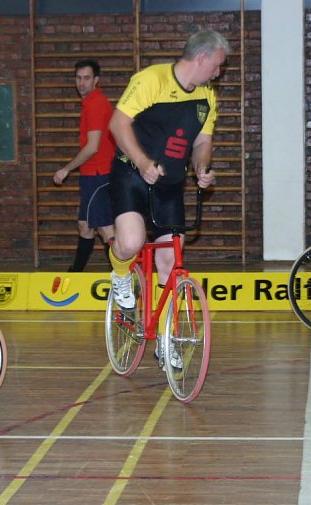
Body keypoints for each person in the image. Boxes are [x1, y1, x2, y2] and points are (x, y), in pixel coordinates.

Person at [107, 29, 228, 368]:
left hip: (170, 184)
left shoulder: (207, 97)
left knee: (169, 265)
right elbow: (118, 124)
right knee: (130, 243)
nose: (218, 73)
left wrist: (202, 168)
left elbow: (202, 143)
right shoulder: (151, 80)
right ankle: (119, 275)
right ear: (201, 58)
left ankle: (165, 337)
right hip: (132, 173)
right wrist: (144, 163)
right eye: (217, 66)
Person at [53, 59, 116, 272]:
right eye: (78, 78)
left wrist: (66, 168)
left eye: (87, 78)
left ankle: (124, 278)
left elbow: (93, 147)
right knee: (85, 226)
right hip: (92, 175)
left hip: (99, 174)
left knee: (106, 230)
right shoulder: (90, 103)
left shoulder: (96, 104)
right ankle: (77, 274)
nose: (82, 83)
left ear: (96, 80)